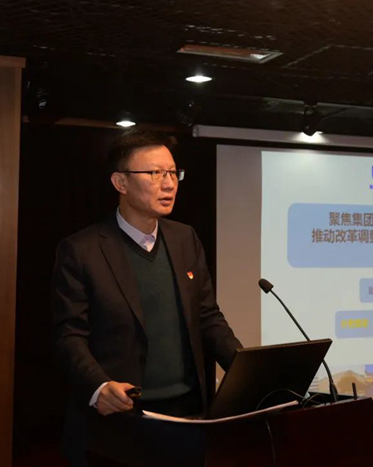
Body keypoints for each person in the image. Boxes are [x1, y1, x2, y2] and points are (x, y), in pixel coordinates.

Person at [52, 130, 242, 465]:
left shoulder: (185, 238)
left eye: (172, 173)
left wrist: (246, 371)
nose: (169, 184)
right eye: (155, 173)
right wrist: (98, 387)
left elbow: (207, 317)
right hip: (123, 422)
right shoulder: (81, 250)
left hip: (188, 419)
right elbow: (69, 335)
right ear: (120, 182)